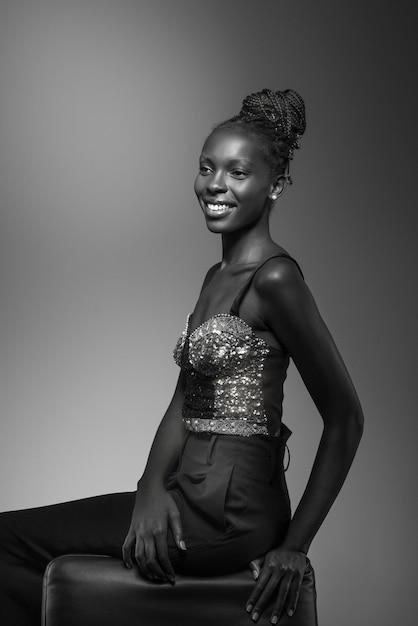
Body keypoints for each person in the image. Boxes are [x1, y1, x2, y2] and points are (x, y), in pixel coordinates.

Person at [0, 88, 364, 625]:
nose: (215, 185)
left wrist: (296, 545)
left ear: (276, 186)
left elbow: (346, 418)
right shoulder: (216, 278)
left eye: (238, 173)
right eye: (206, 167)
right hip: (184, 495)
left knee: (6, 542)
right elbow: (184, 398)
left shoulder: (277, 278)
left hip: (228, 517)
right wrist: (150, 490)